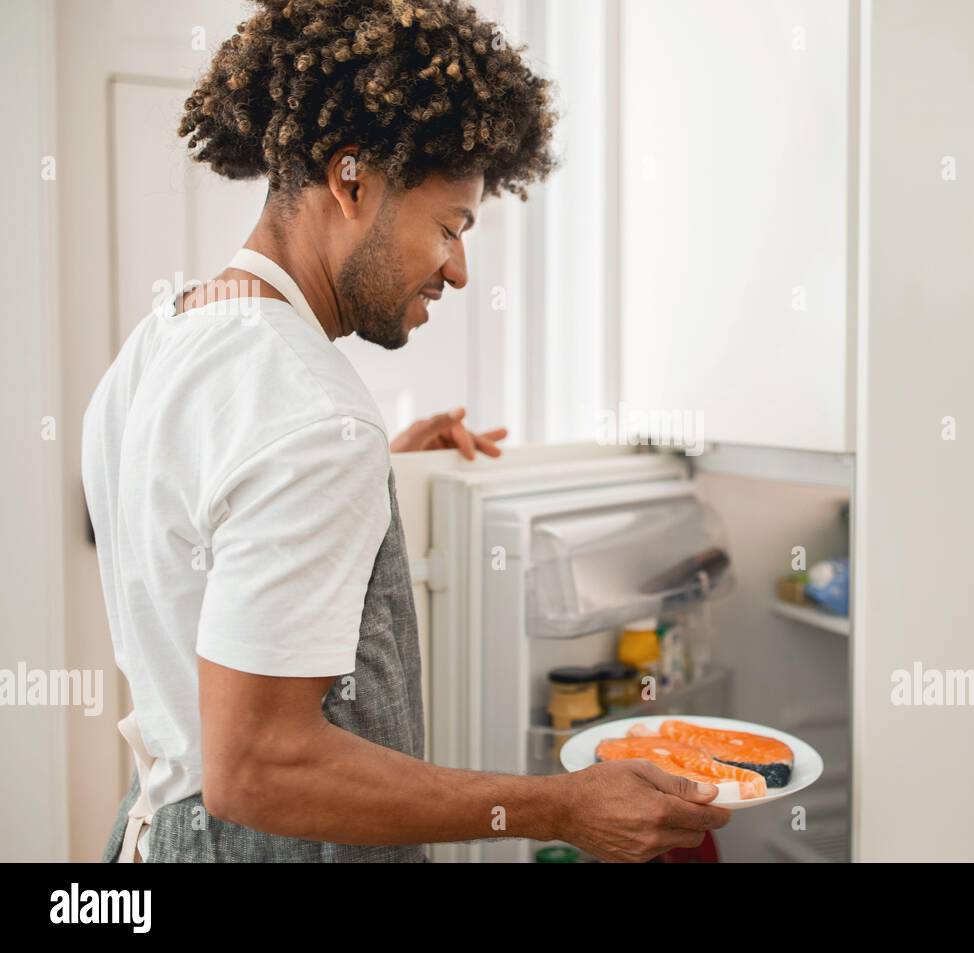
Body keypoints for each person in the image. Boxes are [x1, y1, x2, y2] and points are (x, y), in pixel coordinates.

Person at [85, 0, 729, 863]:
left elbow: (194, 529)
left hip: (153, 836)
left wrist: (373, 482)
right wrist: (558, 808)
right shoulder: (311, 412)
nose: (459, 268)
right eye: (452, 227)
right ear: (352, 181)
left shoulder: (166, 338)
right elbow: (262, 765)